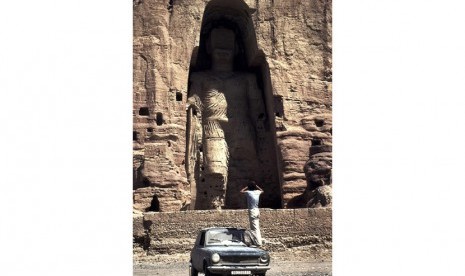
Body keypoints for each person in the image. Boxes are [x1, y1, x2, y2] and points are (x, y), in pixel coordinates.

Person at [240, 180, 264, 246]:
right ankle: (256, 241)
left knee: (254, 228)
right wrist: (256, 186)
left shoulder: (248, 192)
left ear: (249, 187)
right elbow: (262, 190)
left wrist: (246, 187)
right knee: (256, 227)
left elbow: (241, 191)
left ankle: (258, 243)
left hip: (252, 211)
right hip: (257, 210)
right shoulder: (257, 192)